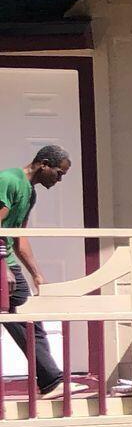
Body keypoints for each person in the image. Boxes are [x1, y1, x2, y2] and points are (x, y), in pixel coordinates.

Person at [1, 143, 71, 396]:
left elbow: (19, 237)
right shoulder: (9, 180)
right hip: (0, 263)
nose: (60, 179)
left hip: (5, 261)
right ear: (43, 164)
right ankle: (52, 379)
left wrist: (36, 273)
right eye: (59, 173)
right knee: (25, 319)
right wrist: (1, 266)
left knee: (30, 320)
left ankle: (51, 381)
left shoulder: (30, 193)